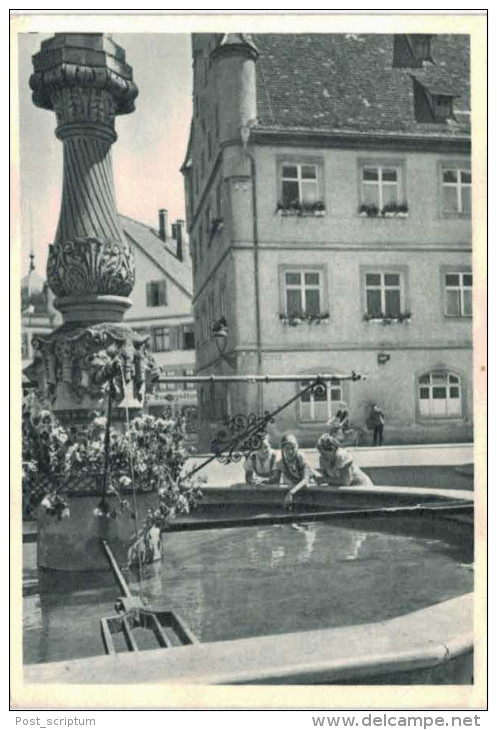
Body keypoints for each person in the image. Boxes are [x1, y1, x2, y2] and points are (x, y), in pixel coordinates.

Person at [277, 434, 317, 507]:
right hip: (295, 487)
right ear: (282, 449)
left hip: (309, 486)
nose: (290, 451)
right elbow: (275, 480)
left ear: (297, 447)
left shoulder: (301, 457)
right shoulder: (280, 463)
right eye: (287, 448)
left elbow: (305, 480)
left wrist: (291, 492)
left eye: (293, 448)